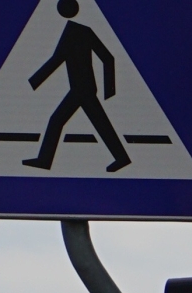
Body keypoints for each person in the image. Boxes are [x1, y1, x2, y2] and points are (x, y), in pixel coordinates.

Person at [22, 0, 129, 173]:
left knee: (63, 121)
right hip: (82, 89)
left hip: (82, 89)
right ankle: (44, 160)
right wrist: (108, 89)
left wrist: (34, 82)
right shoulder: (83, 31)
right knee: (89, 122)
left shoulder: (72, 32)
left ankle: (44, 160)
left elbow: (57, 59)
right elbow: (107, 58)